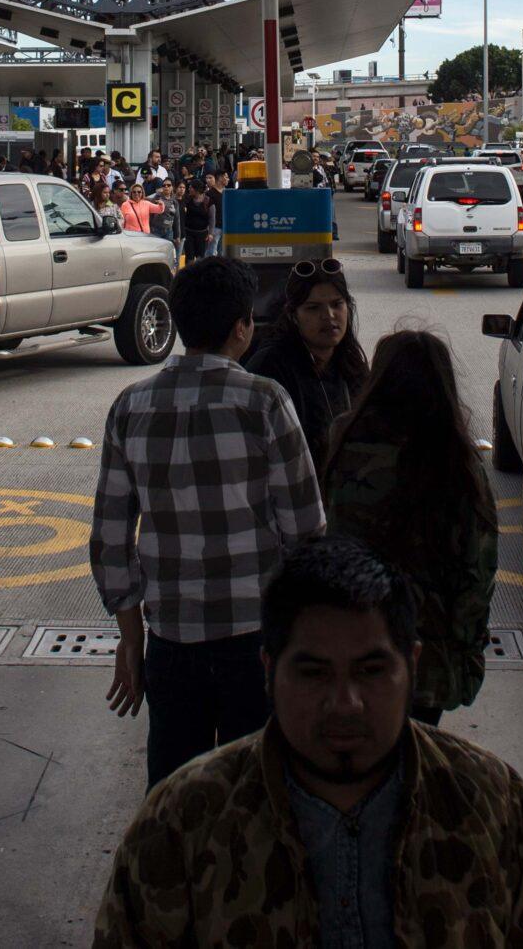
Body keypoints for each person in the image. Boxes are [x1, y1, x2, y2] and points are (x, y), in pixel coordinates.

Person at [90, 536, 523, 948]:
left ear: (411, 667)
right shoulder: (183, 824)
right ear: (269, 672)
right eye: (314, 673)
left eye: (371, 671)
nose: (345, 702)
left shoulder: (494, 808)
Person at [91, 256, 325, 787]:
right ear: (243, 328)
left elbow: (110, 539)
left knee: (177, 805)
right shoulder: (265, 401)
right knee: (261, 795)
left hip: (171, 645)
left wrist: (132, 641)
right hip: (256, 644)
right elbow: (306, 534)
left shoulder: (131, 406)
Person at [323, 332, 497, 724]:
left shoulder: (344, 439)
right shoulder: (457, 461)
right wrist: (467, 647)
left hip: (353, 642)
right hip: (427, 658)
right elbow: (477, 570)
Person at [246, 260, 370, 462]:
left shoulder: (351, 361)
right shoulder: (270, 368)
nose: (329, 316)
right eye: (313, 308)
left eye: (337, 304)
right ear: (293, 316)